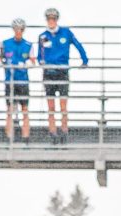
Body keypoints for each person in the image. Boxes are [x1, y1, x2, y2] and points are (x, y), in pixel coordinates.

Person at [38, 8, 89, 146]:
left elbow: (78, 45)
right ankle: (53, 134)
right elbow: (39, 55)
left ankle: (64, 133)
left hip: (62, 72)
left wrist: (84, 60)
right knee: (51, 106)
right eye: (49, 19)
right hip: (49, 73)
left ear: (57, 20)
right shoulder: (43, 36)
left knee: (63, 105)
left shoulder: (66, 32)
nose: (51, 21)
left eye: (53, 19)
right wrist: (42, 62)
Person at [0, 18, 35, 144]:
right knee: (10, 110)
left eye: (21, 29)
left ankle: (26, 139)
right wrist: (5, 63)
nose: (18, 31)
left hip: (23, 81)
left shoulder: (29, 45)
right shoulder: (5, 43)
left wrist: (25, 65)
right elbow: (0, 59)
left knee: (25, 109)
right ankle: (9, 138)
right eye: (16, 29)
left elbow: (33, 61)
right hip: (10, 81)